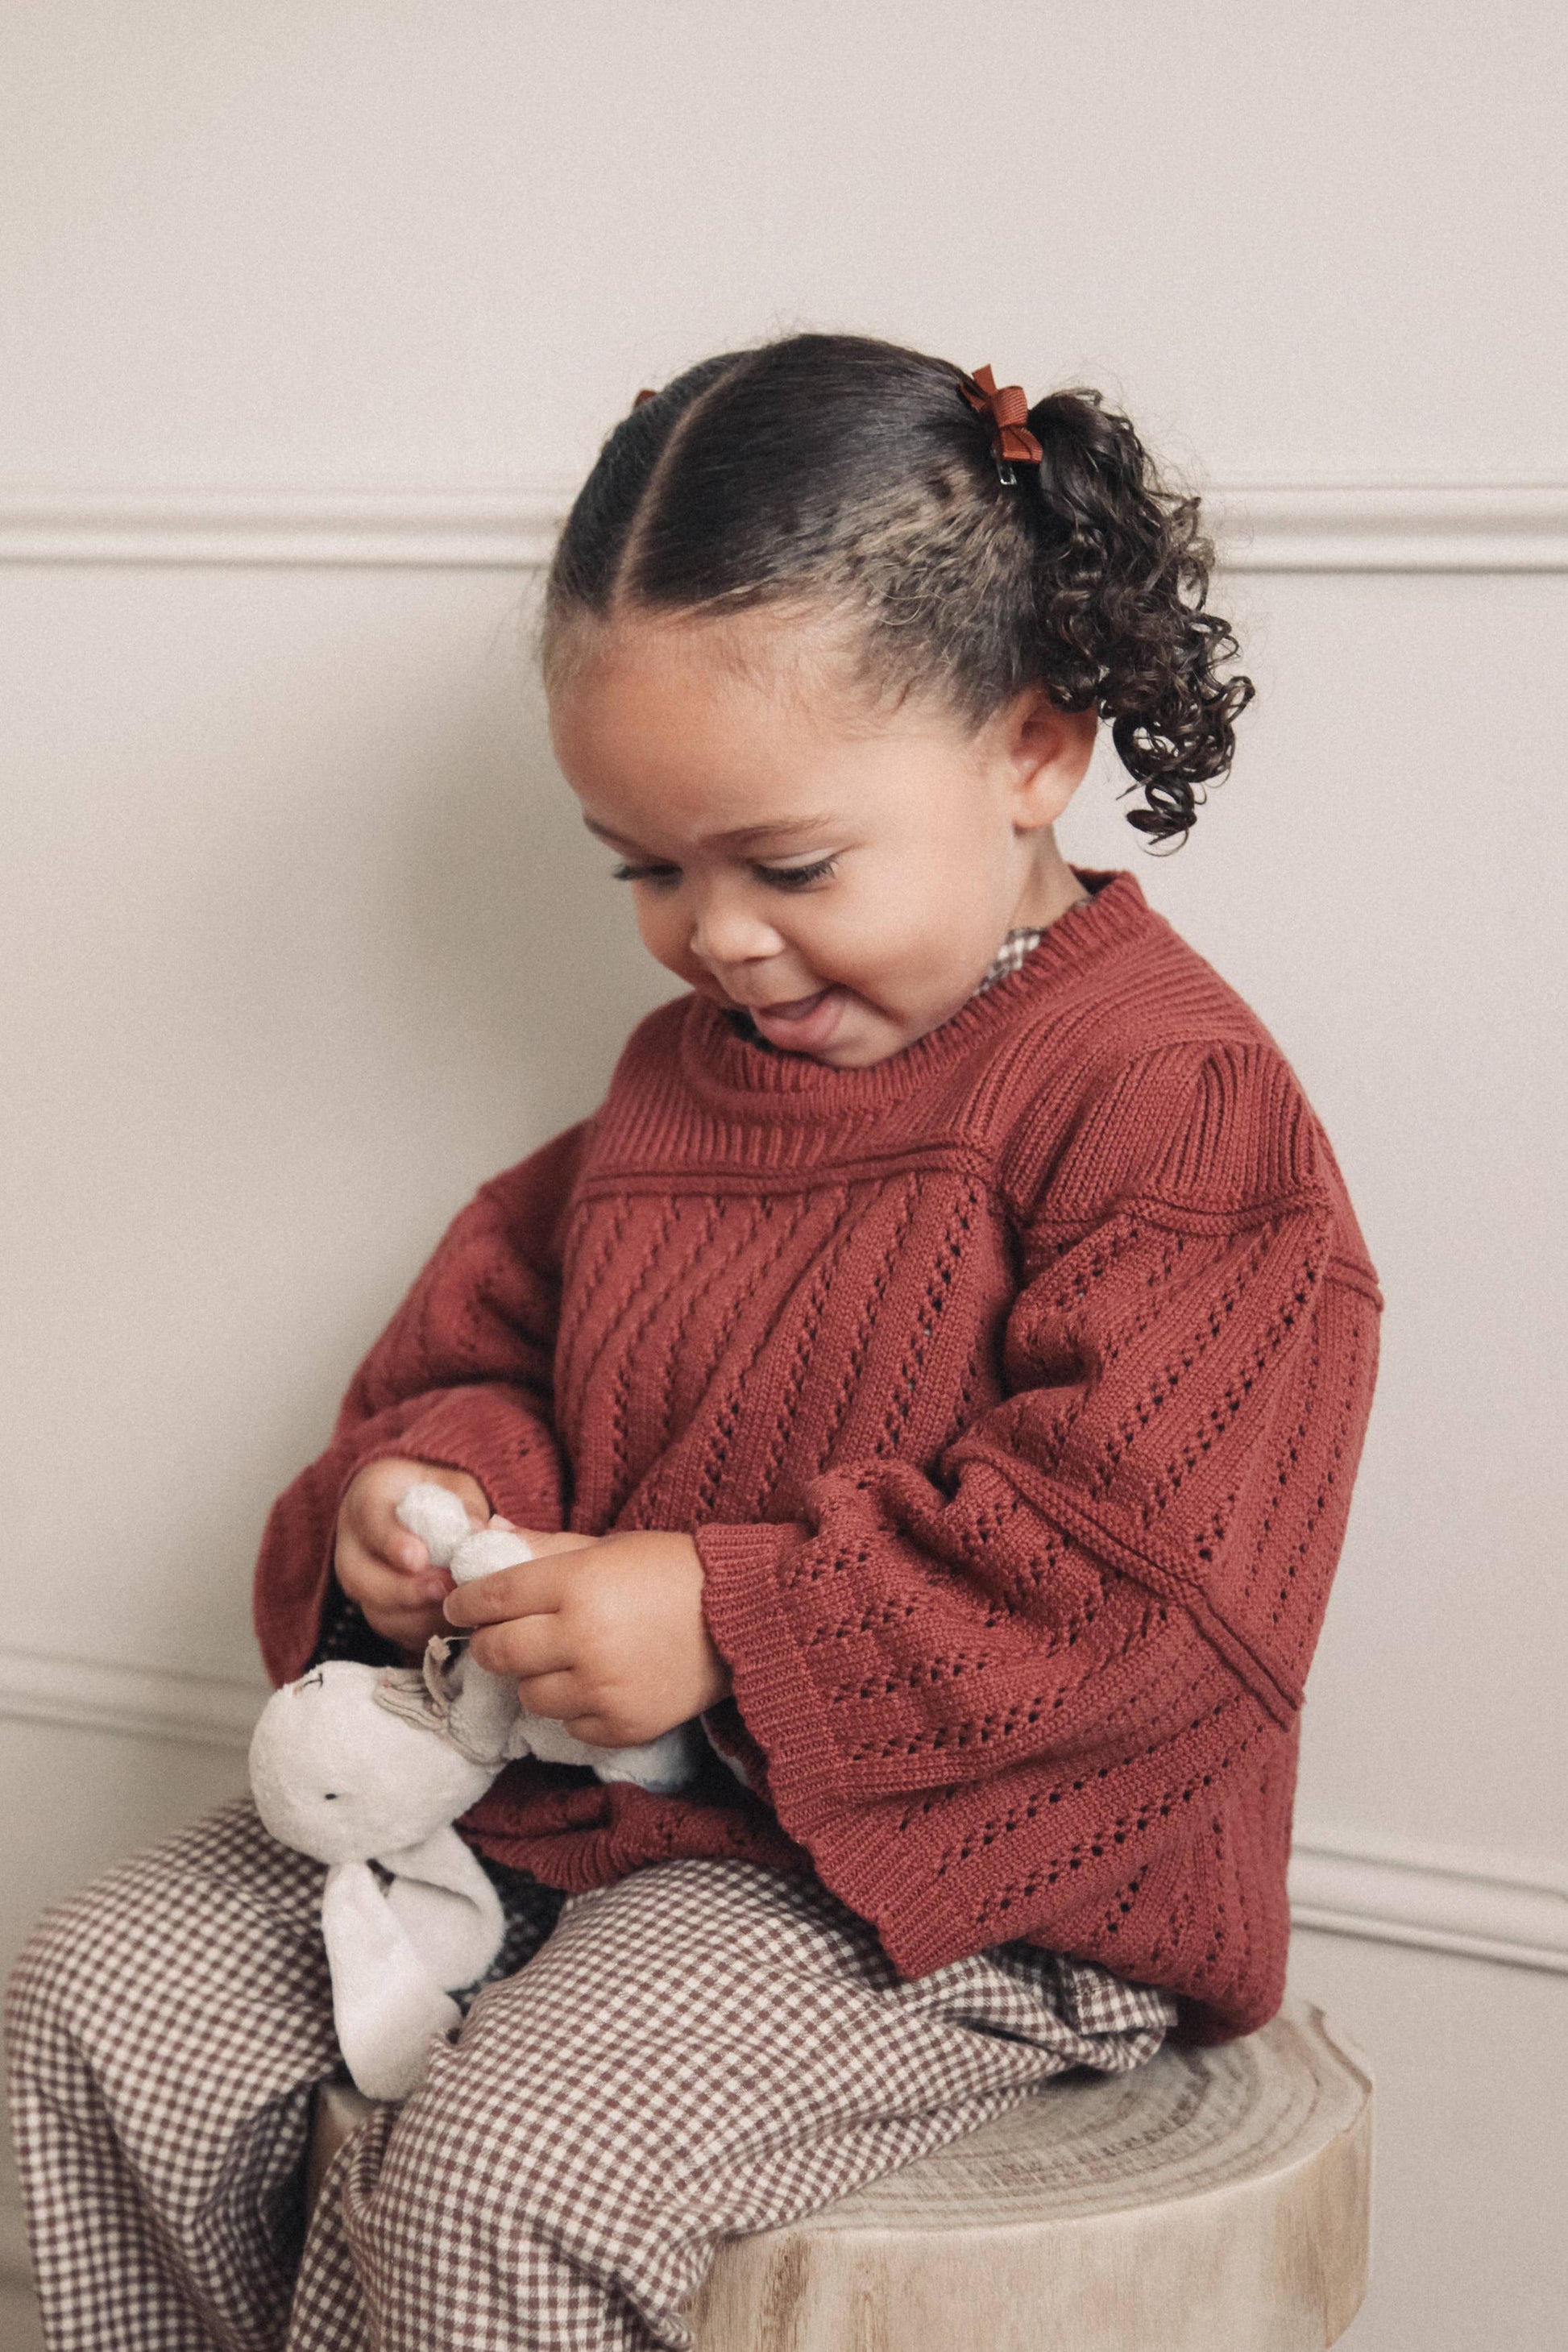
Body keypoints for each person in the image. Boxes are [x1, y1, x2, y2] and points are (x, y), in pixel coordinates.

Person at [6, 333, 1381, 2352]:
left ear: (1029, 747)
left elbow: (1149, 1586)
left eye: (787, 865)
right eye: (647, 867)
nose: (715, 935)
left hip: (971, 1877)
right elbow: (491, 1343)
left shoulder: (1170, 1108)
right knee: (101, 1999)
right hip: (595, 1809)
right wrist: (436, 1494)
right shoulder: (680, 1075)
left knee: (508, 2172)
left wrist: (729, 1619)